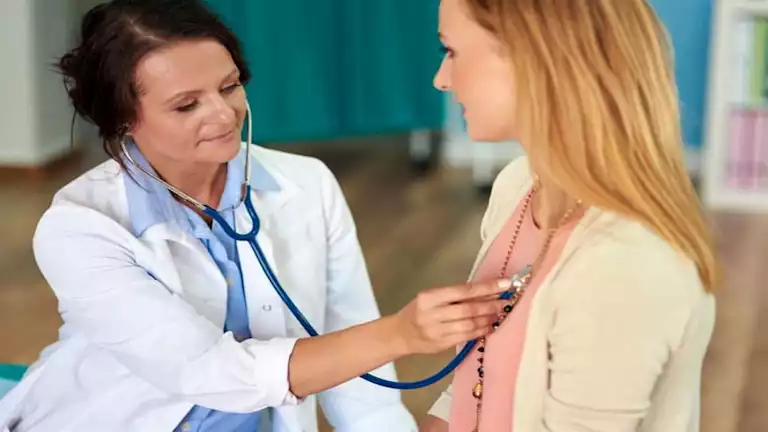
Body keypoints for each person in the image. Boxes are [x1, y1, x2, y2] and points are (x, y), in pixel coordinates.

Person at [0, 1, 513, 431]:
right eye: (187, 105)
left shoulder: (307, 184)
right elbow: (209, 372)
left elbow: (355, 361)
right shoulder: (80, 227)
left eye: (229, 86)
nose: (223, 114)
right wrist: (401, 333)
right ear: (122, 120)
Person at [421, 0, 718, 431]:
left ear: (532, 58)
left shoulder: (626, 265)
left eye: (451, 51)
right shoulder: (517, 186)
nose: (441, 79)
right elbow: (474, 382)